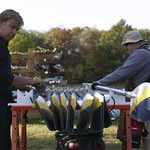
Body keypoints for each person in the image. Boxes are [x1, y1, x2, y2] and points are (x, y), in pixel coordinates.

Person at [91, 30, 150, 150]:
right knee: (146, 134)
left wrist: (100, 83)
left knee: (147, 135)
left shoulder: (140, 54)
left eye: (126, 45)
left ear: (133, 43)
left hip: (146, 100)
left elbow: (121, 73)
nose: (126, 48)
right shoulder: (147, 52)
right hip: (145, 98)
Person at [0, 9, 44, 150]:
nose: (14, 32)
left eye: (17, 30)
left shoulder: (3, 46)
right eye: (12, 27)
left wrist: (22, 87)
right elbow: (2, 76)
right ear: (1, 23)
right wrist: (30, 81)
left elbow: (4, 80)